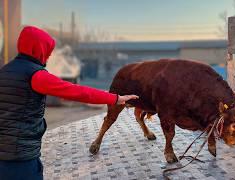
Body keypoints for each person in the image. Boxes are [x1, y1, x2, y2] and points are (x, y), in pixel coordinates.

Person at [0, 26, 138, 180]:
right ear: (38, 49)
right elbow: (77, 92)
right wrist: (115, 98)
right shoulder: (36, 76)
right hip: (20, 158)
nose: (48, 57)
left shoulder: (4, 71)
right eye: (47, 52)